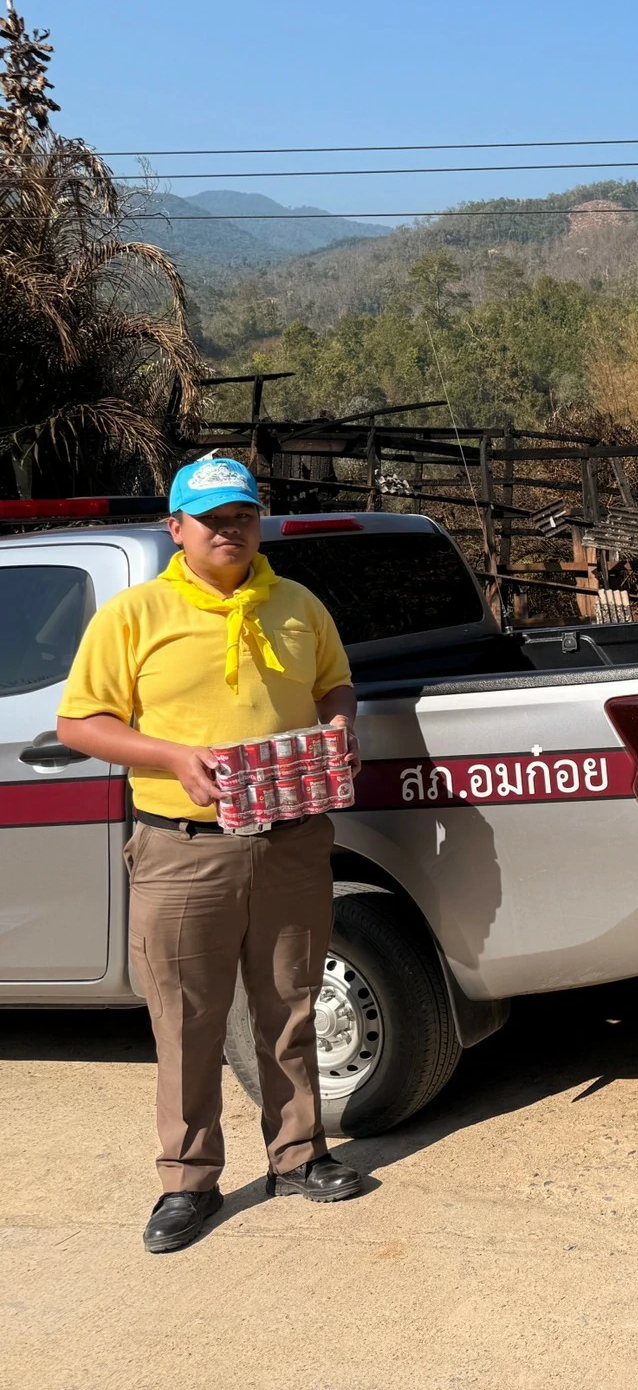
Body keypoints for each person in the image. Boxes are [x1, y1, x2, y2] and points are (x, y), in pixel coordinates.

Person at [55, 454, 363, 1255]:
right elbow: (79, 723)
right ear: (177, 527)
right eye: (213, 518)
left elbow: (334, 683)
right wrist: (171, 757)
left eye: (243, 516)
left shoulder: (297, 604)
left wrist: (339, 724)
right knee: (187, 1022)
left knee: (290, 1007)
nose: (231, 529)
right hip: (183, 848)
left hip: (291, 838)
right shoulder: (135, 614)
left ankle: (298, 1156)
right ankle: (188, 1181)